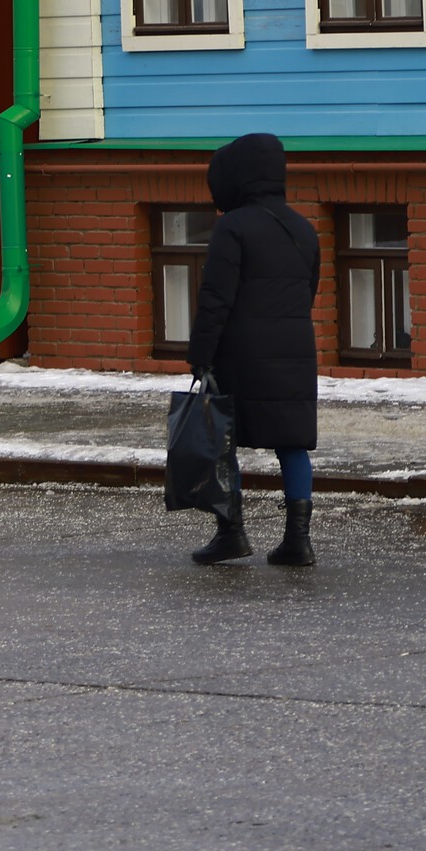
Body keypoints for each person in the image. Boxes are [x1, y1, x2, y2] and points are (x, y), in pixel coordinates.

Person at [185, 131, 320, 568]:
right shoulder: (304, 229)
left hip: (241, 352)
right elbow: (308, 291)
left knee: (222, 438)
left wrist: (200, 355)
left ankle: (231, 533)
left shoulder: (233, 226)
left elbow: (215, 298)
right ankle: (298, 541)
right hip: (295, 350)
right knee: (293, 443)